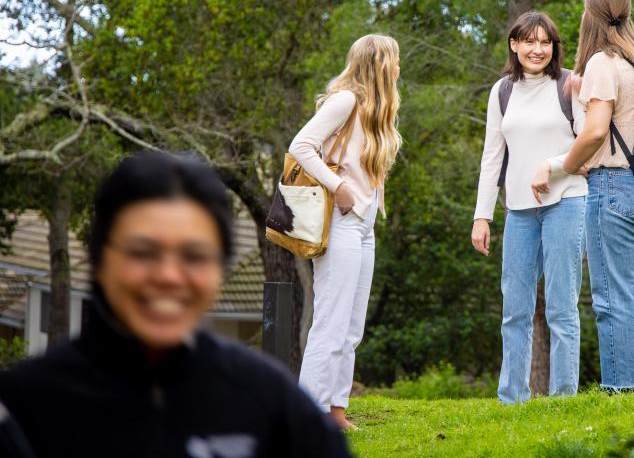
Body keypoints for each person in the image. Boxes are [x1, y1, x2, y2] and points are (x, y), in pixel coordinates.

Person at [0, 151, 351, 457]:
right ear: (100, 260)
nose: (168, 276)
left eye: (194, 256)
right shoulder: (22, 411)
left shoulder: (272, 405)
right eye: (143, 252)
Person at [558, 0, 634, 391]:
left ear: (589, 17)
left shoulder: (602, 64)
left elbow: (594, 133)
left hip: (616, 187)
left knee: (613, 298)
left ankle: (624, 391)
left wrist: (563, 169)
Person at [472, 12, 587, 404]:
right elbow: (492, 157)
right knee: (514, 309)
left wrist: (552, 166)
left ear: (555, 47)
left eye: (546, 42)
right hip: (519, 210)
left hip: (567, 201)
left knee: (561, 307)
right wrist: (482, 215)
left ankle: (563, 398)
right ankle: (511, 399)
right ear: (514, 45)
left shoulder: (570, 85)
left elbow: (589, 148)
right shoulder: (501, 91)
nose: (537, 49)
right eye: (529, 41)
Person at [290, 34, 402, 430]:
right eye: (394, 61)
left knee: (351, 327)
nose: (399, 68)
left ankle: (336, 409)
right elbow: (300, 146)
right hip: (339, 222)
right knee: (331, 322)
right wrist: (338, 187)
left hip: (363, 224)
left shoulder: (375, 109)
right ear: (378, 65)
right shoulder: (346, 101)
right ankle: (310, 415)